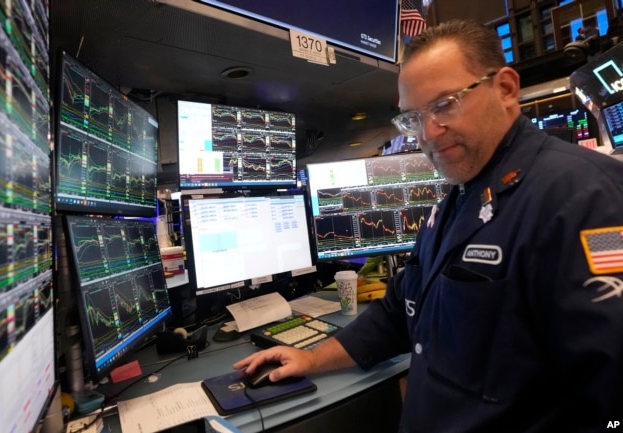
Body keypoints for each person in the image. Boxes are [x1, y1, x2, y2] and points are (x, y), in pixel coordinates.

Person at [234, 19, 623, 432]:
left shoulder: (586, 197)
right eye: (413, 118)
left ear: (506, 89)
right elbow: (400, 308)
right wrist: (312, 358)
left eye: (445, 104)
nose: (429, 133)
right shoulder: (458, 198)